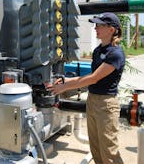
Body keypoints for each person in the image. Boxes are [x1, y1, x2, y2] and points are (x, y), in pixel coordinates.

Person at [47, 12, 125, 164]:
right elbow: (92, 75)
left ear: (111, 29)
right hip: (93, 100)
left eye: (100, 25)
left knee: (109, 151)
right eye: (95, 25)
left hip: (106, 104)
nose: (95, 28)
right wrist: (65, 80)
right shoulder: (98, 51)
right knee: (95, 148)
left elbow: (94, 78)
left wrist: (64, 87)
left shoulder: (115, 53)